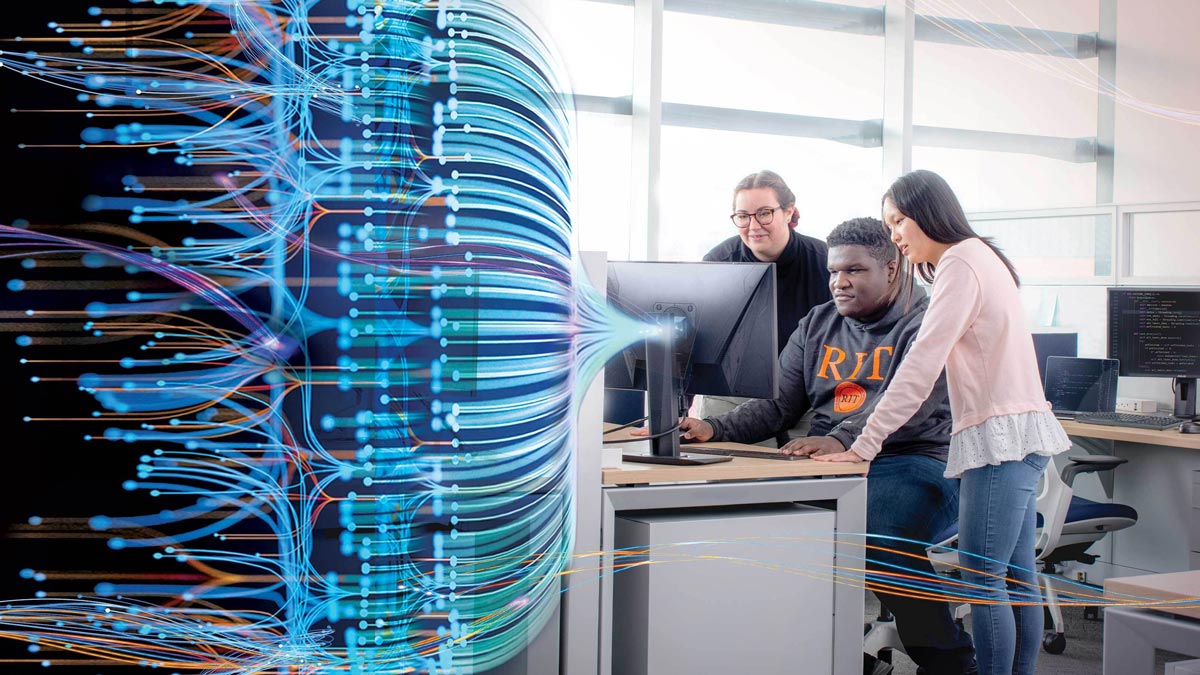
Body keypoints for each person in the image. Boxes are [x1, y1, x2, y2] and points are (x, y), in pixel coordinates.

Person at [679, 217, 977, 675]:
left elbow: (910, 405)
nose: (839, 282)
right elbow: (778, 406)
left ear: (893, 269)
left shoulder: (926, 323)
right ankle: (842, 658)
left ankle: (950, 663)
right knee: (761, 525)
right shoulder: (818, 323)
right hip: (834, 462)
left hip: (914, 459)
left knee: (878, 530)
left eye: (855, 271)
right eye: (834, 272)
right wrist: (712, 429)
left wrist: (839, 437)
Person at [813, 170, 1071, 675]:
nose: (895, 237)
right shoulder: (980, 256)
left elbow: (918, 367)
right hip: (1017, 432)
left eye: (899, 222)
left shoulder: (960, 264)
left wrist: (863, 445)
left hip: (1000, 440)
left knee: (983, 580)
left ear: (927, 214)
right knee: (1015, 577)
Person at [700, 170, 832, 440]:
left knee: (800, 477)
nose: (753, 225)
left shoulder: (826, 262)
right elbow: (697, 340)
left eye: (764, 213)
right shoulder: (719, 262)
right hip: (733, 396)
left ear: (788, 211)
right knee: (726, 476)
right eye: (743, 216)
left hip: (808, 397)